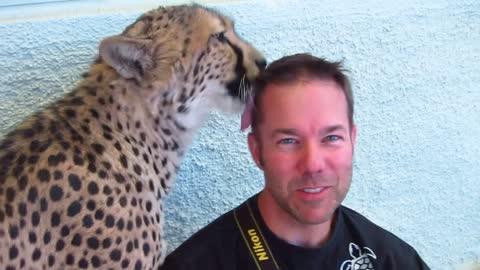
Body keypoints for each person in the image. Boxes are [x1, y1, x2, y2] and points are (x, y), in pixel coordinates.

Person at [161, 53, 430, 270]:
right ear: (257, 151)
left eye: (332, 137)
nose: (313, 164)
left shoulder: (390, 259)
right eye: (288, 141)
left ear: (352, 141)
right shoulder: (197, 263)